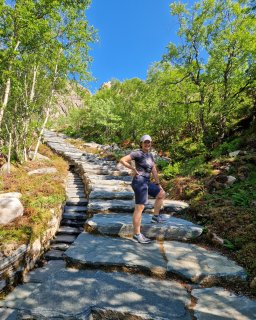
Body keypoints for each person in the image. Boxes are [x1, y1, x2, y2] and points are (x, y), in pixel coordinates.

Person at [119, 134, 166, 244]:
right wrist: (132, 168)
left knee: (161, 194)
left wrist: (158, 184)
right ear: (141, 144)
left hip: (146, 182)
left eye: (149, 142)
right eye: (145, 142)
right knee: (139, 208)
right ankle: (137, 234)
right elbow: (122, 160)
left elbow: (154, 170)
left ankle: (155, 216)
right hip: (139, 182)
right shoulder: (137, 153)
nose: (147, 144)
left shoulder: (150, 155)